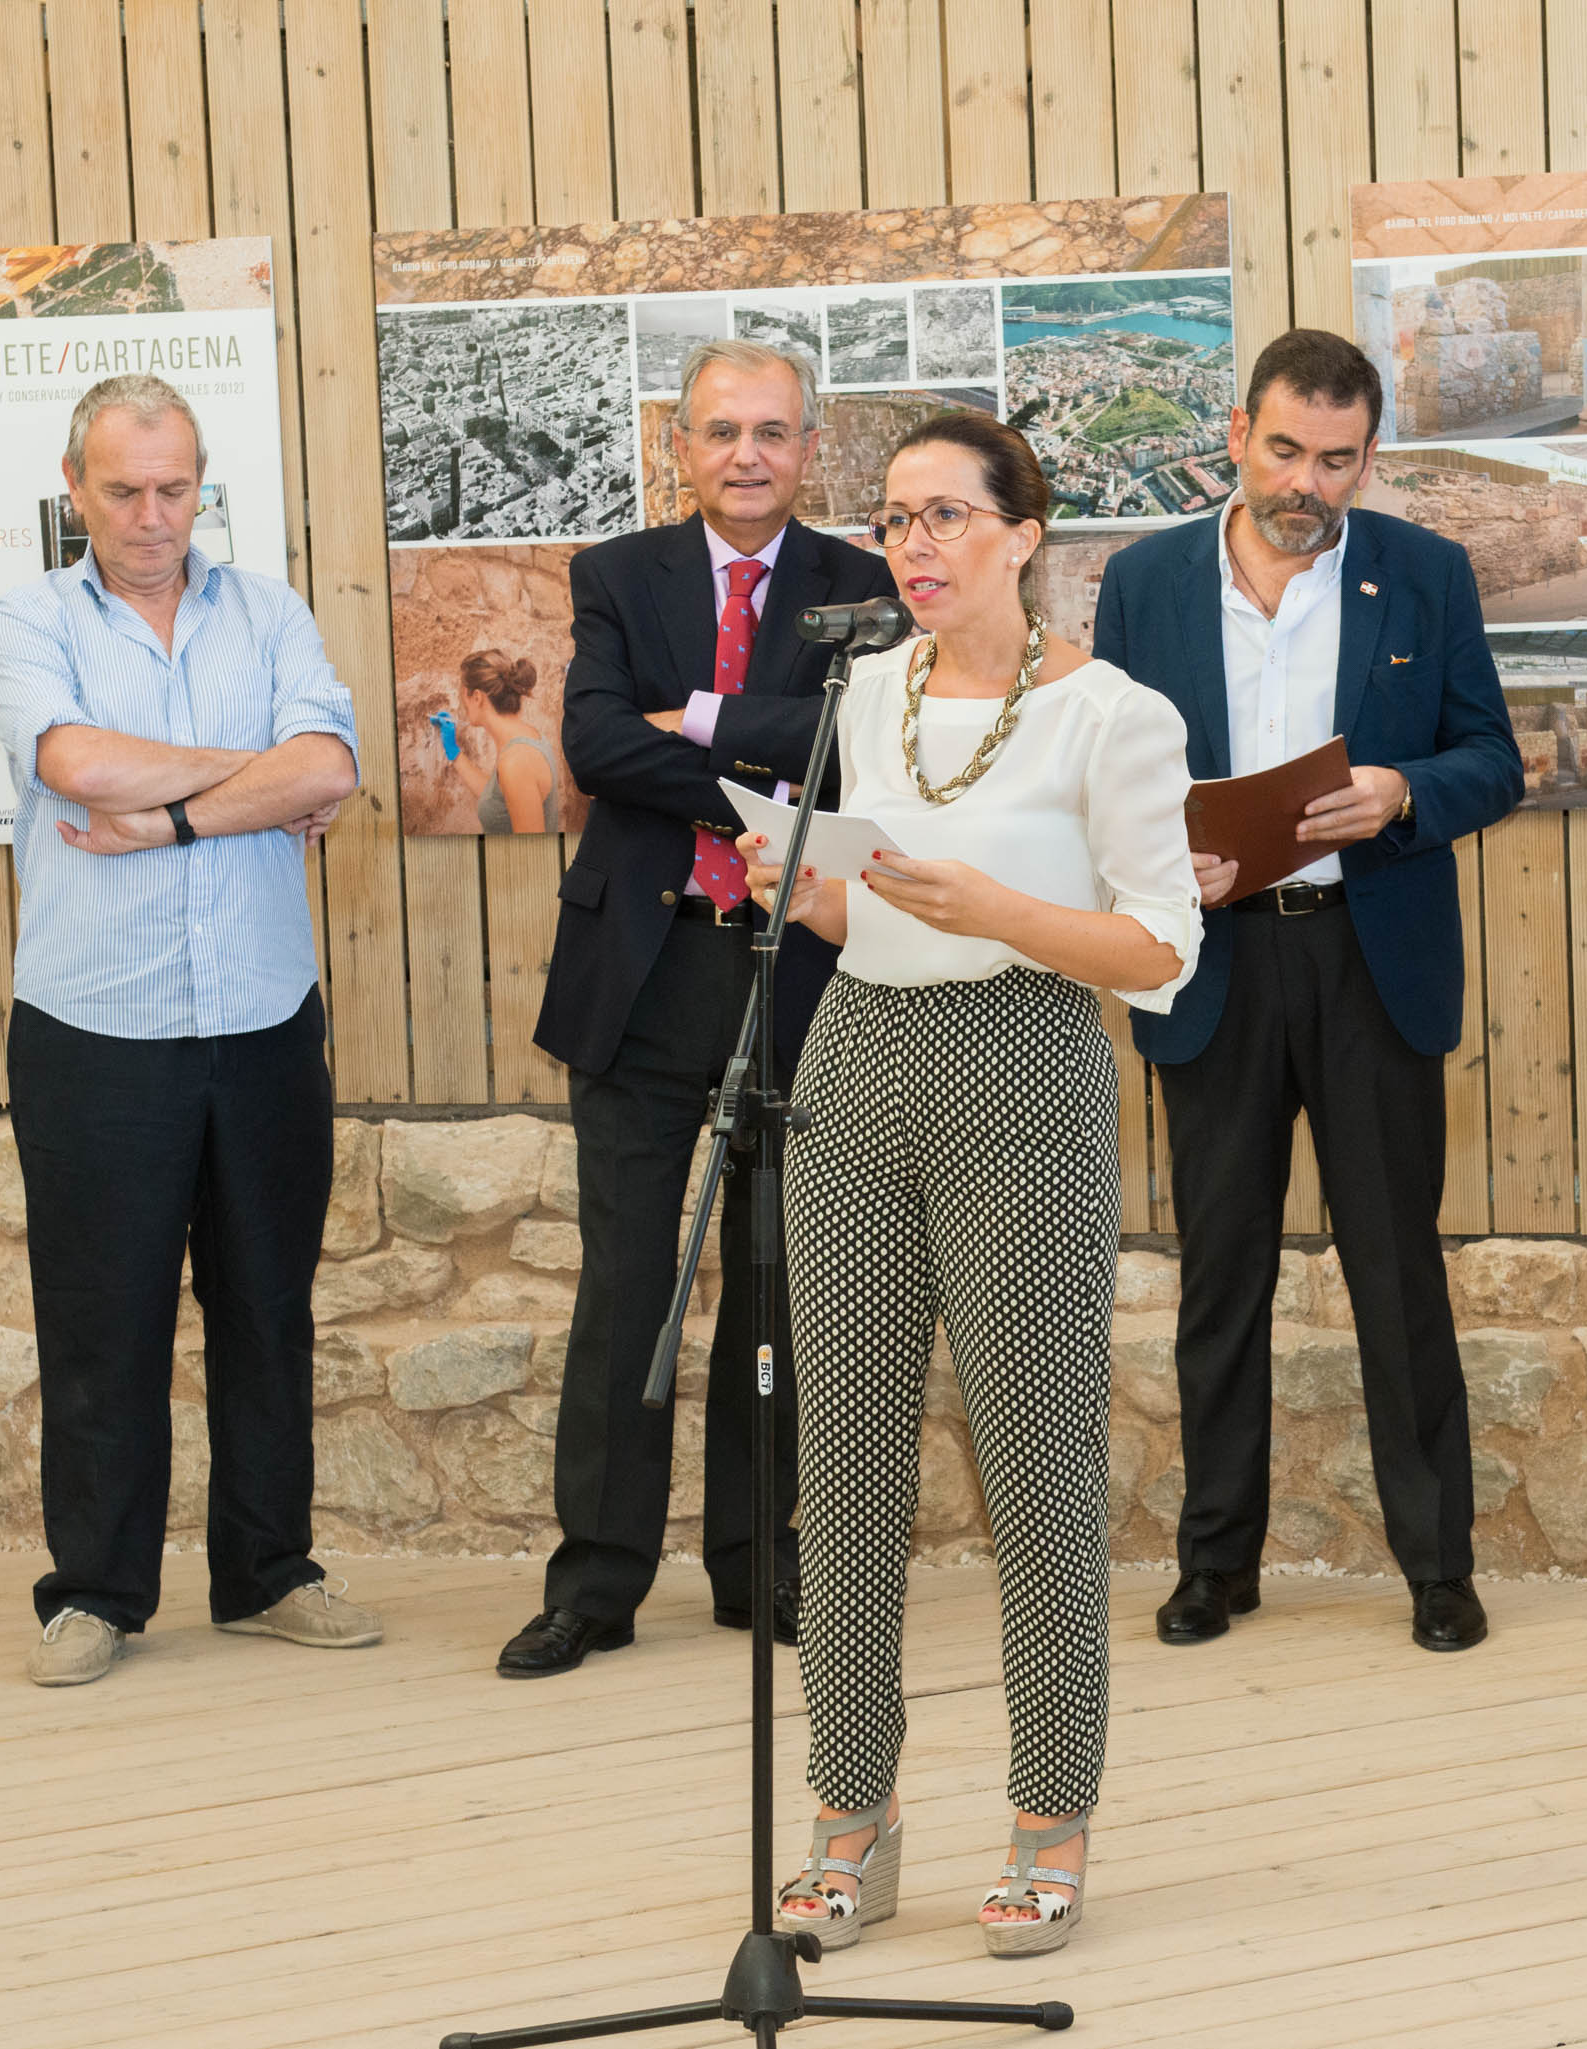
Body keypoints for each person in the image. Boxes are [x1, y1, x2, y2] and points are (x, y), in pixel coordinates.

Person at [746, 412, 1197, 1958]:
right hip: (857, 1067)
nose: (914, 545)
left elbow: (1157, 950)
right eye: (893, 520)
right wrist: (797, 892)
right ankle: (849, 1822)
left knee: (1036, 1471)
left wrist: (1002, 905)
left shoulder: (1115, 715)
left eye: (946, 517)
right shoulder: (858, 696)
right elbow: (859, 915)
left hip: (1027, 1075)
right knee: (850, 1473)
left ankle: (1049, 1819)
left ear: (1025, 535)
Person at [1090, 328, 1523, 1656]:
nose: (1309, 484)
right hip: (1212, 963)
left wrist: (1403, 793)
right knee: (1221, 1273)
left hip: (1368, 958)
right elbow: (1102, 779)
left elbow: (1492, 761)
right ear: (1237, 433)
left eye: (1339, 461)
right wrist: (1168, 858)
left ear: (1368, 459)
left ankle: (1438, 1565)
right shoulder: (1144, 582)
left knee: (1398, 1271)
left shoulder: (1425, 575)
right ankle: (1216, 1560)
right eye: (1286, 451)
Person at [506, 341, 899, 1678]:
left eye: (773, 432)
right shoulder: (619, 575)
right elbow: (597, 744)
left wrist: (707, 719)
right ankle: (597, 1582)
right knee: (627, 1290)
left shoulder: (864, 584)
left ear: (810, 450)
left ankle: (759, 1565)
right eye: (722, 430)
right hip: (646, 975)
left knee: (782, 1294)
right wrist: (761, 758)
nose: (747, 454)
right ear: (679, 445)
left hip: (802, 972)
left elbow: (865, 747)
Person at [0, 372, 370, 1688]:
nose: (151, 516)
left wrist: (186, 809)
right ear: (75, 487)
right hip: (97, 1031)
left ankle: (269, 1572)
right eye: (122, 489)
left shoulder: (269, 611)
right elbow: (79, 766)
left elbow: (330, 768)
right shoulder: (28, 616)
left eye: (173, 487)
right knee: (105, 1320)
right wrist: (248, 770)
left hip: (263, 1020)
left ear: (200, 484)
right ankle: (95, 1590)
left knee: (267, 1308)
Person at [453, 648, 565, 834]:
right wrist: (454, 754)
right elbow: (498, 800)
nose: (461, 702)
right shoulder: (524, 737)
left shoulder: (516, 761)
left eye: (463, 693)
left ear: (477, 697)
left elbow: (531, 852)